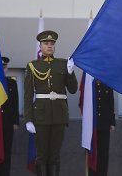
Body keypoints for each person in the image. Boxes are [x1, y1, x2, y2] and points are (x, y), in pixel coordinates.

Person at [24, 30, 78, 176]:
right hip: (40, 116)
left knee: (55, 155)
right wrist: (28, 119)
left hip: (59, 115)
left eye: (52, 43)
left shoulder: (62, 64)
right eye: (46, 43)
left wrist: (71, 73)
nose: (49, 46)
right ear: (40, 46)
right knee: (42, 155)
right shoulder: (32, 66)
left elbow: (73, 90)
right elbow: (28, 95)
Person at [86, 79, 115, 176]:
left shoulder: (107, 84)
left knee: (103, 153)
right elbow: (82, 104)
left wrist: (112, 122)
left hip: (104, 124)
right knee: (92, 153)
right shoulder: (89, 86)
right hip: (92, 125)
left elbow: (111, 104)